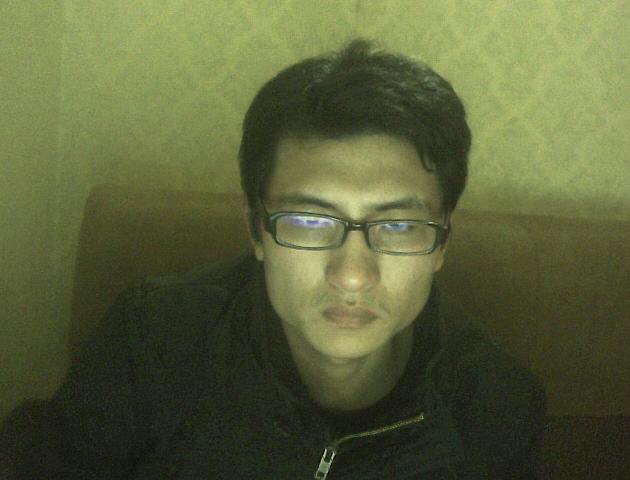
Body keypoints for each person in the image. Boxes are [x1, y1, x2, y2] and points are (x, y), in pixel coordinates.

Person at [0, 38, 548, 479]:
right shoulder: (150, 343)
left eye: (399, 226)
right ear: (256, 231)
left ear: (442, 244)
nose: (352, 275)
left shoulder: (494, 403)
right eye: (309, 221)